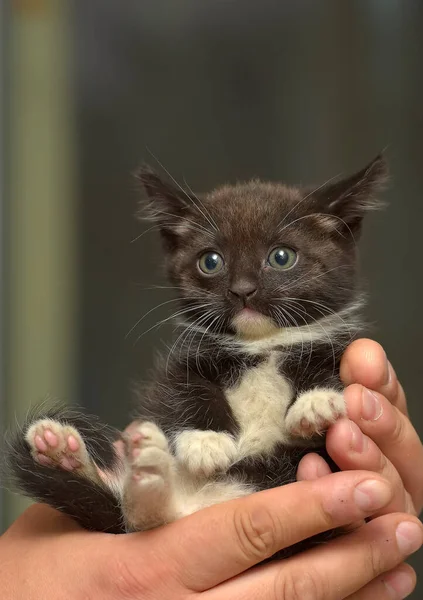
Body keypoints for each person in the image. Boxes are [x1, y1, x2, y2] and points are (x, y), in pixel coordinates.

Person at [1, 339, 422, 599]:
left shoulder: (325, 354)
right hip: (193, 498)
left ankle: (141, 496)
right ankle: (141, 495)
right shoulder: (201, 361)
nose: (243, 286)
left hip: (213, 501)